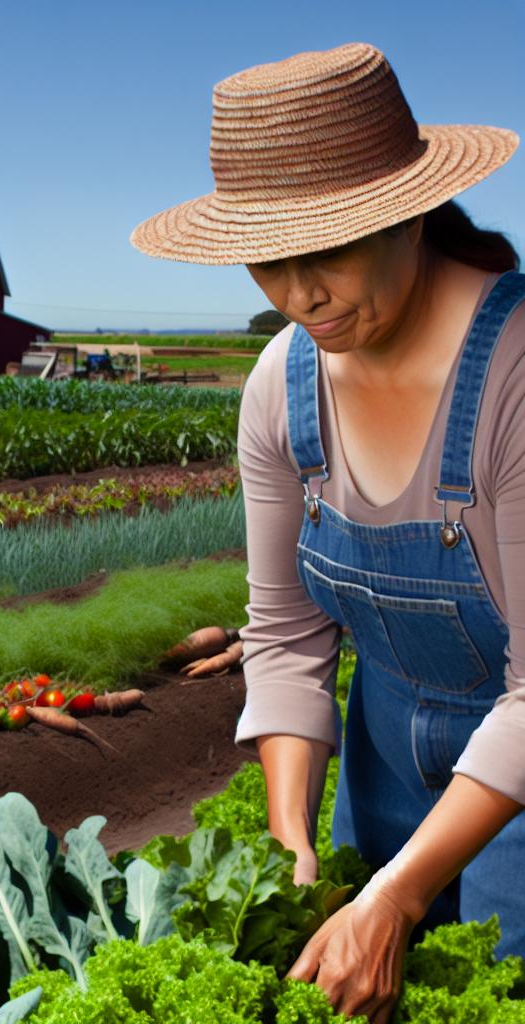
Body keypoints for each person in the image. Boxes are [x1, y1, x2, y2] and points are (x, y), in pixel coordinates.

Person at [131, 42, 522, 1023]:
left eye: (329, 250)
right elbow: (287, 635)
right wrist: (290, 840)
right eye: (270, 260)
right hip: (382, 749)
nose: (300, 295)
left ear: (409, 214)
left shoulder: (512, 378)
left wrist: (396, 890)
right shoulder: (280, 386)